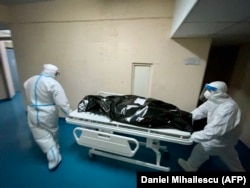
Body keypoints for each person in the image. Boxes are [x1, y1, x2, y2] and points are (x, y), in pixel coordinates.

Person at [178, 81, 245, 172]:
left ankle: (191, 167)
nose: (206, 92)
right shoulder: (213, 100)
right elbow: (200, 111)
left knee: (200, 149)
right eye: (207, 89)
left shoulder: (229, 108)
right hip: (225, 137)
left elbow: (214, 131)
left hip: (222, 137)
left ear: (219, 92)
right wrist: (186, 118)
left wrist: (192, 136)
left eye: (210, 90)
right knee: (229, 154)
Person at [23, 64, 72, 171]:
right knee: (52, 132)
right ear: (54, 72)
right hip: (47, 112)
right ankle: (54, 157)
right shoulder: (53, 83)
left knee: (40, 135)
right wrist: (70, 114)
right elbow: (62, 103)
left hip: (32, 111)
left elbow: (25, 86)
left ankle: (52, 151)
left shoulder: (30, 80)